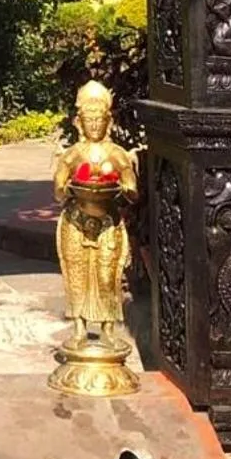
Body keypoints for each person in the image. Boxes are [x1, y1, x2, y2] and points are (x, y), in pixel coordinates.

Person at [51, 81, 139, 346]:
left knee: (107, 275)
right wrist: (67, 188)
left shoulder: (117, 154)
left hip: (107, 220)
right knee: (77, 275)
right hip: (76, 220)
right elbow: (58, 187)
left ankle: (108, 329)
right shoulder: (73, 153)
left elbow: (133, 190)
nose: (94, 126)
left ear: (107, 122)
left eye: (99, 121)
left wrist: (125, 186)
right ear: (79, 123)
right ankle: (78, 327)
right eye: (89, 121)